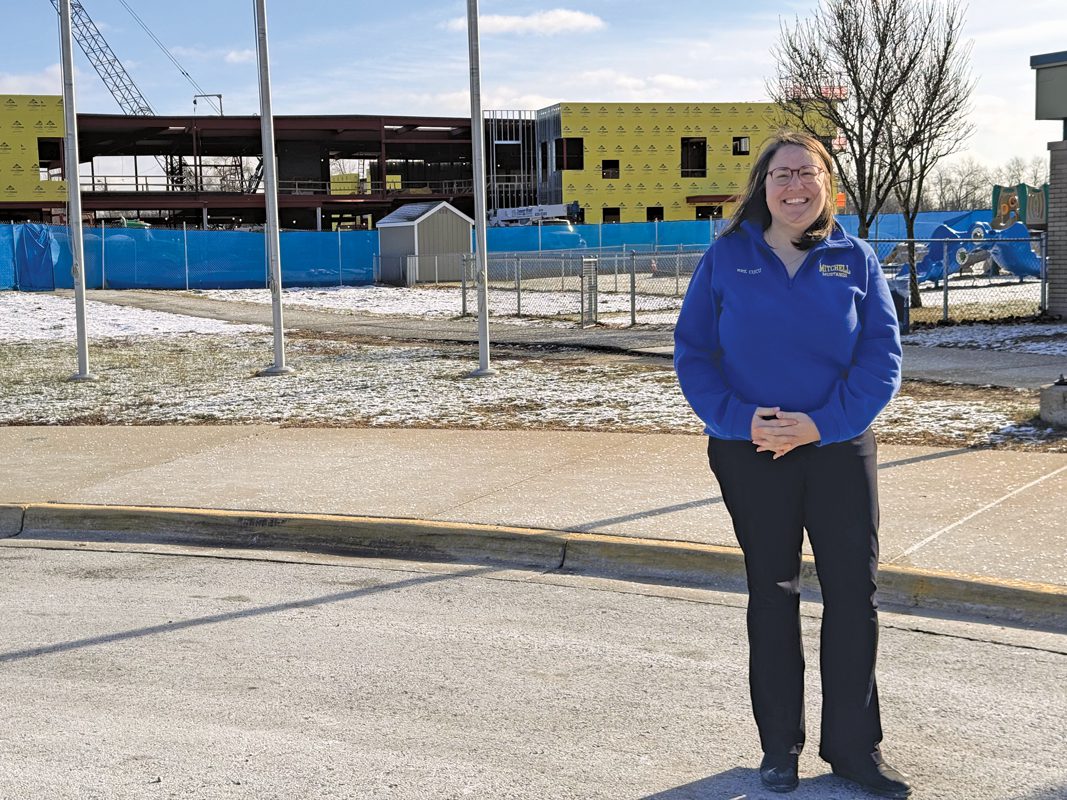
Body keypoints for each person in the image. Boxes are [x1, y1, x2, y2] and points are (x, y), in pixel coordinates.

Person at [674, 131, 909, 799]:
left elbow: (879, 358)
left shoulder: (853, 257)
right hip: (751, 451)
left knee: (852, 597)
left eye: (806, 173)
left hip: (837, 449)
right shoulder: (726, 257)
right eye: (781, 174)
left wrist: (822, 424)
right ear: (762, 185)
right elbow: (693, 352)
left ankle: (854, 750)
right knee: (771, 595)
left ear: (826, 185)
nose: (793, 186)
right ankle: (779, 748)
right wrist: (740, 419)